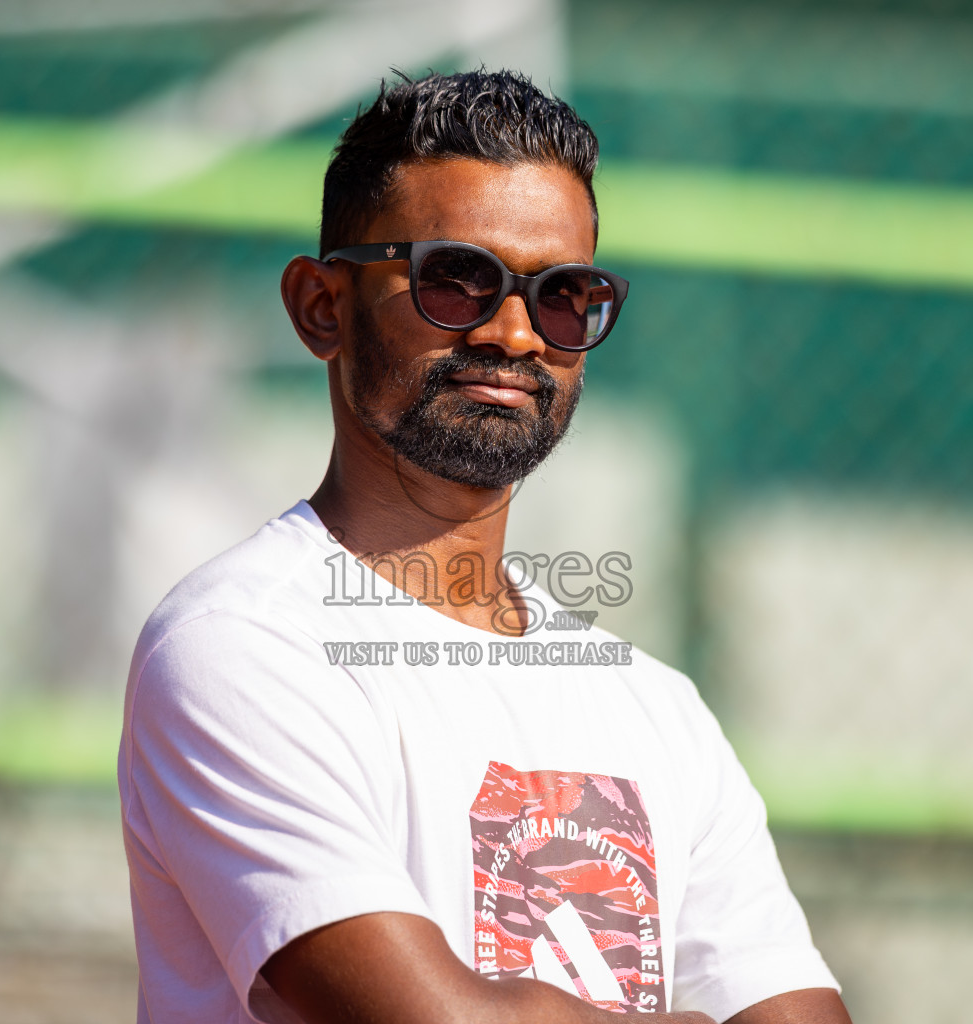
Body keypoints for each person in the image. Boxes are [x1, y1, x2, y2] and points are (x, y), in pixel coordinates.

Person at [119, 69, 851, 1024]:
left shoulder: (658, 712)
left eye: (564, 295)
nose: (515, 334)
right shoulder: (239, 647)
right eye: (455, 280)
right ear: (320, 306)